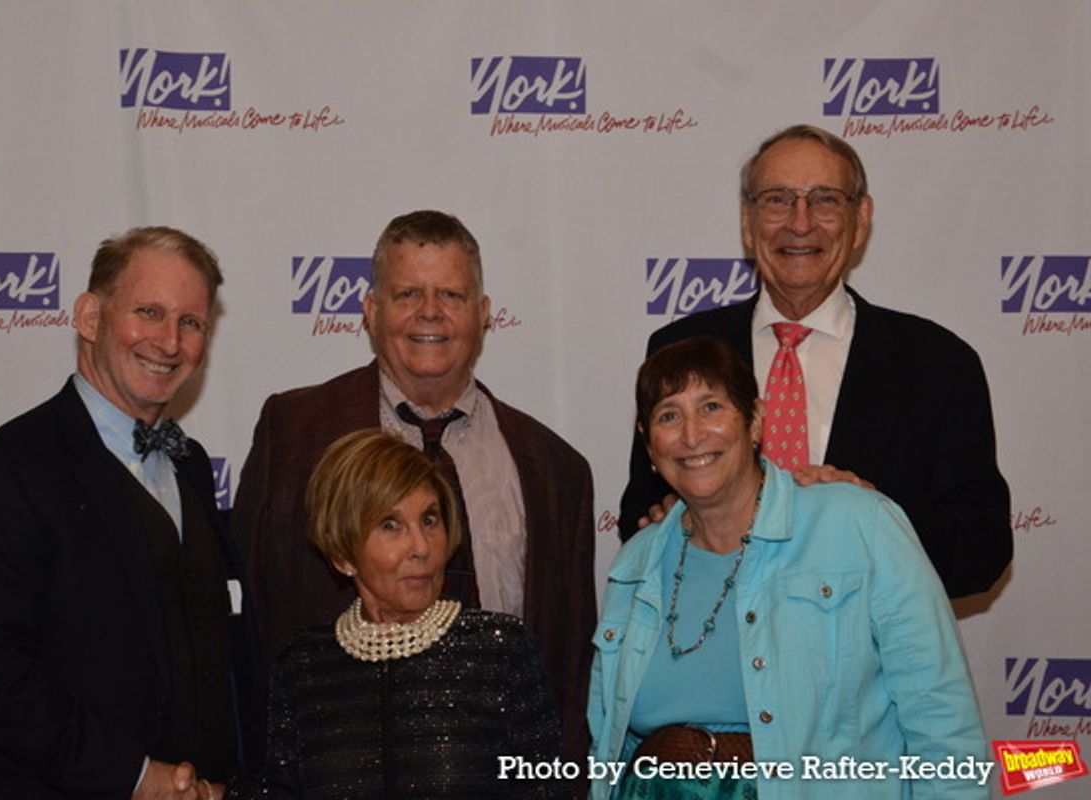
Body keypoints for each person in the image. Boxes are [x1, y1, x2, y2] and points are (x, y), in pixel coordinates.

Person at [231, 209, 595, 760]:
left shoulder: (555, 468)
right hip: (335, 773)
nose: (430, 313)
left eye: (450, 295)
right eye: (407, 294)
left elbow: (570, 667)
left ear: (483, 314)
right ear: (371, 311)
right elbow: (256, 623)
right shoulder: (293, 434)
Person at [0, 227, 262, 800]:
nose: (169, 341)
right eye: (149, 312)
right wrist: (134, 777)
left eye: (192, 323)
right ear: (89, 317)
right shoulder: (4, 470)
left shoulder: (191, 466)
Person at [620, 124, 1011, 599]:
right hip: (714, 648)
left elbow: (982, 549)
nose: (800, 223)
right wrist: (670, 522)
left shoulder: (938, 364)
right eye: (777, 200)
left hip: (868, 662)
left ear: (861, 219)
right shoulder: (679, 348)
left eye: (825, 200)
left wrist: (874, 520)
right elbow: (639, 513)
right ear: (748, 222)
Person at [589, 337, 989, 800]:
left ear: (755, 421)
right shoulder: (636, 564)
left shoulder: (859, 524)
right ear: (648, 442)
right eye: (669, 416)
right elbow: (609, 741)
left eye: (712, 407)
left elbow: (943, 722)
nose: (692, 435)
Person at [229, 428, 570, 799]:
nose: (421, 547)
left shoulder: (500, 651)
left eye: (429, 519)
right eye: (390, 525)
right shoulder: (304, 665)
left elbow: (546, 790)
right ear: (342, 555)